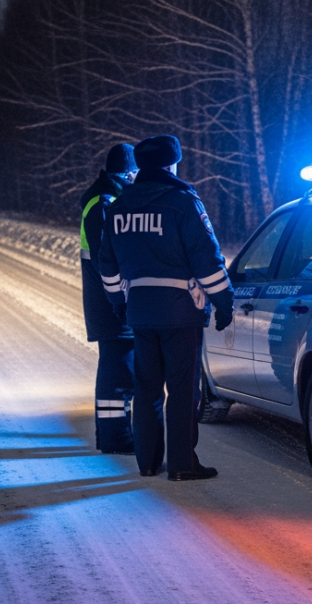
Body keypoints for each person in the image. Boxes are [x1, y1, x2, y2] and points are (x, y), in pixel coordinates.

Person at [96, 135, 234, 481]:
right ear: (172, 165)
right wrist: (224, 302)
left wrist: (118, 302)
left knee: (146, 389)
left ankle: (147, 462)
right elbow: (207, 260)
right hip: (180, 313)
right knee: (183, 390)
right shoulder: (183, 202)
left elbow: (107, 266)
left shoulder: (119, 207)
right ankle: (182, 464)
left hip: (140, 312)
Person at [80, 143, 139, 454]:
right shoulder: (104, 203)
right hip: (110, 303)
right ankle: (117, 438)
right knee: (118, 374)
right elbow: (108, 258)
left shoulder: (105, 199)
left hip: (108, 301)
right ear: (128, 173)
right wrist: (121, 297)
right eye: (136, 172)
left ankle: (112, 435)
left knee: (118, 370)